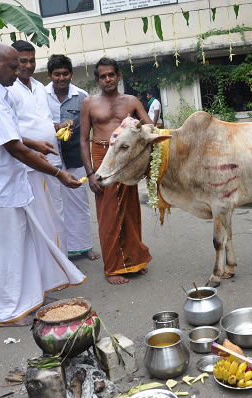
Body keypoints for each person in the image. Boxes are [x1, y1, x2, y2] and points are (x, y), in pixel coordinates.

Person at [0, 43, 85, 327]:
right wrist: (57, 174)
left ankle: (29, 301)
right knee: (4, 253)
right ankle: (8, 313)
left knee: (22, 246)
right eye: (13, 67)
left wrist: (34, 143)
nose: (18, 72)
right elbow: (13, 148)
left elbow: (12, 135)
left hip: (8, 186)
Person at [80, 57, 153, 285]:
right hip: (103, 157)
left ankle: (134, 260)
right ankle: (112, 268)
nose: (108, 79)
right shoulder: (89, 103)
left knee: (130, 211)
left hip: (126, 159)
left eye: (111, 74)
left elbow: (149, 126)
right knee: (108, 215)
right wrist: (90, 174)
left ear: (118, 76)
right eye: (103, 76)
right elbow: (83, 140)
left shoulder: (131, 101)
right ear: (97, 79)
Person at [7, 41, 67, 254]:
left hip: (52, 160)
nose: (28, 65)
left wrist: (59, 127)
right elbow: (8, 133)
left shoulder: (40, 87)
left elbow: (44, 120)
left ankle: (62, 261)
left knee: (56, 211)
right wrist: (34, 145)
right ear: (13, 61)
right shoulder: (8, 89)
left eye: (32, 60)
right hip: (29, 163)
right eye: (23, 61)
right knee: (39, 216)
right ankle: (48, 266)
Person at [45, 54, 100, 260]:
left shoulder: (82, 96)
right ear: (50, 75)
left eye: (65, 73)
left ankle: (85, 247)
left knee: (79, 203)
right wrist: (55, 127)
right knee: (54, 205)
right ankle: (60, 250)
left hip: (75, 157)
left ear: (71, 74)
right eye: (57, 74)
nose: (61, 78)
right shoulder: (41, 96)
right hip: (49, 159)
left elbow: (90, 127)